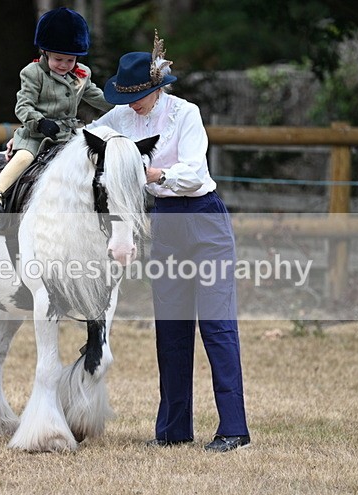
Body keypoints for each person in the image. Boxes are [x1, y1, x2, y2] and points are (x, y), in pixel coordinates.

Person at [90, 32, 251, 452]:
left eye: (139, 95)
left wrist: (150, 174)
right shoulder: (123, 116)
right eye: (127, 97)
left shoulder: (185, 114)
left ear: (158, 87)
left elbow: (194, 173)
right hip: (164, 225)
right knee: (172, 330)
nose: (132, 104)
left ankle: (234, 429)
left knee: (217, 327)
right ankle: (174, 430)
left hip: (204, 221)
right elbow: (88, 136)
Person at [0, 7, 113, 230]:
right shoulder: (33, 73)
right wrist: (40, 122)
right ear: (45, 52)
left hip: (69, 134)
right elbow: (23, 105)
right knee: (23, 158)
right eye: (58, 59)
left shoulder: (82, 74)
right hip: (36, 132)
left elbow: (96, 97)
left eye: (70, 60)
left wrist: (120, 104)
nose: (64, 65)